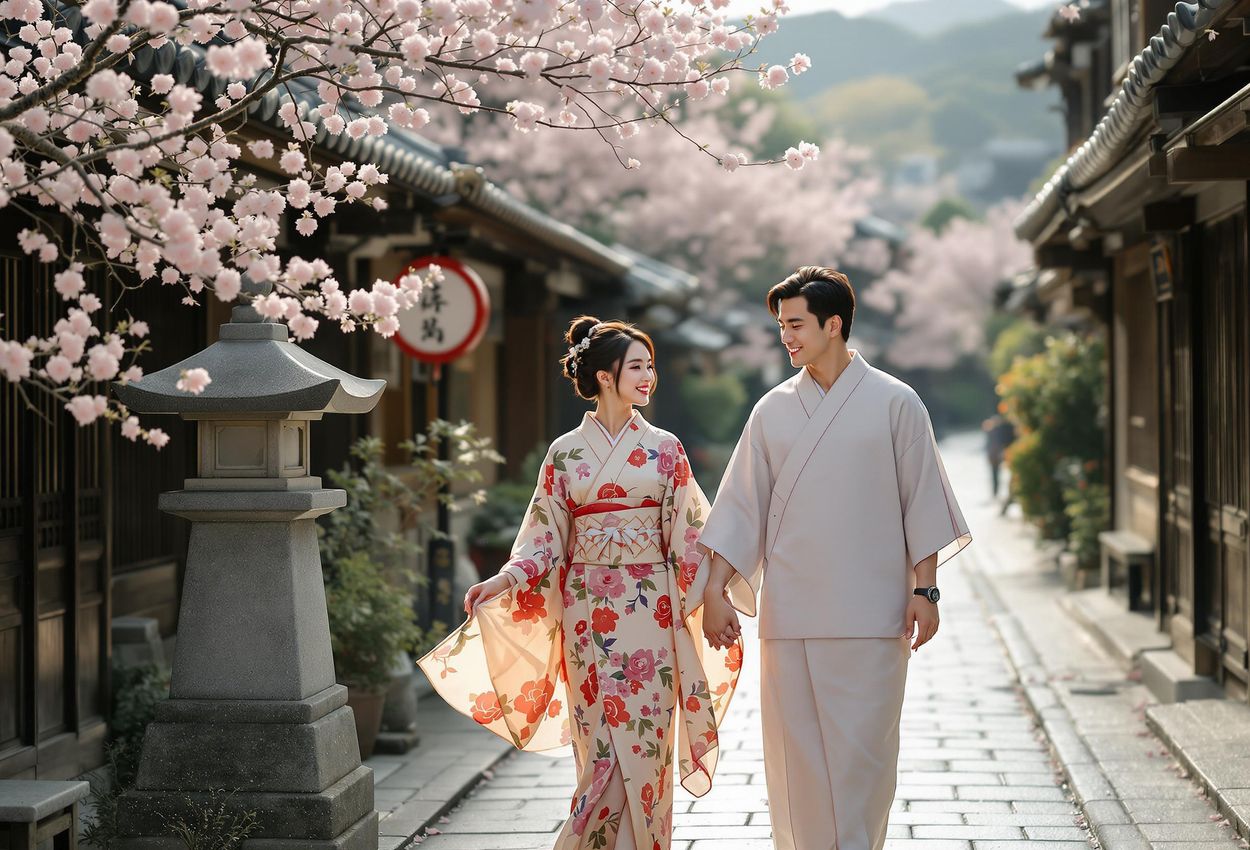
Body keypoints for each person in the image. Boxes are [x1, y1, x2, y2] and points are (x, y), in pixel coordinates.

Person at [418, 317, 741, 850]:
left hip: (651, 612)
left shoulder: (666, 449)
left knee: (646, 742)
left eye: (650, 366)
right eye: (637, 366)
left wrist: (712, 595)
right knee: (600, 746)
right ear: (606, 376)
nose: (648, 376)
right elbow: (545, 538)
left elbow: (689, 535)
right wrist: (503, 579)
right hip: (587, 614)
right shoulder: (565, 453)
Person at [697, 267, 971, 850]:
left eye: (795, 324)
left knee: (863, 764)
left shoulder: (897, 402)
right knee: (796, 767)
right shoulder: (771, 411)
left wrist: (926, 591)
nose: (786, 337)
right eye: (780, 326)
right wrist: (714, 590)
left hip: (873, 614)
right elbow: (742, 504)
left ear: (834, 324)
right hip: (791, 614)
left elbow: (920, 500)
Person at [983, 413, 1016, 503]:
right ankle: (997, 495)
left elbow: (992, 446)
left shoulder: (996, 431)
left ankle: (1000, 495)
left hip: (999, 455)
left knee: (999, 477)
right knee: (996, 477)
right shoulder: (995, 431)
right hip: (997, 455)